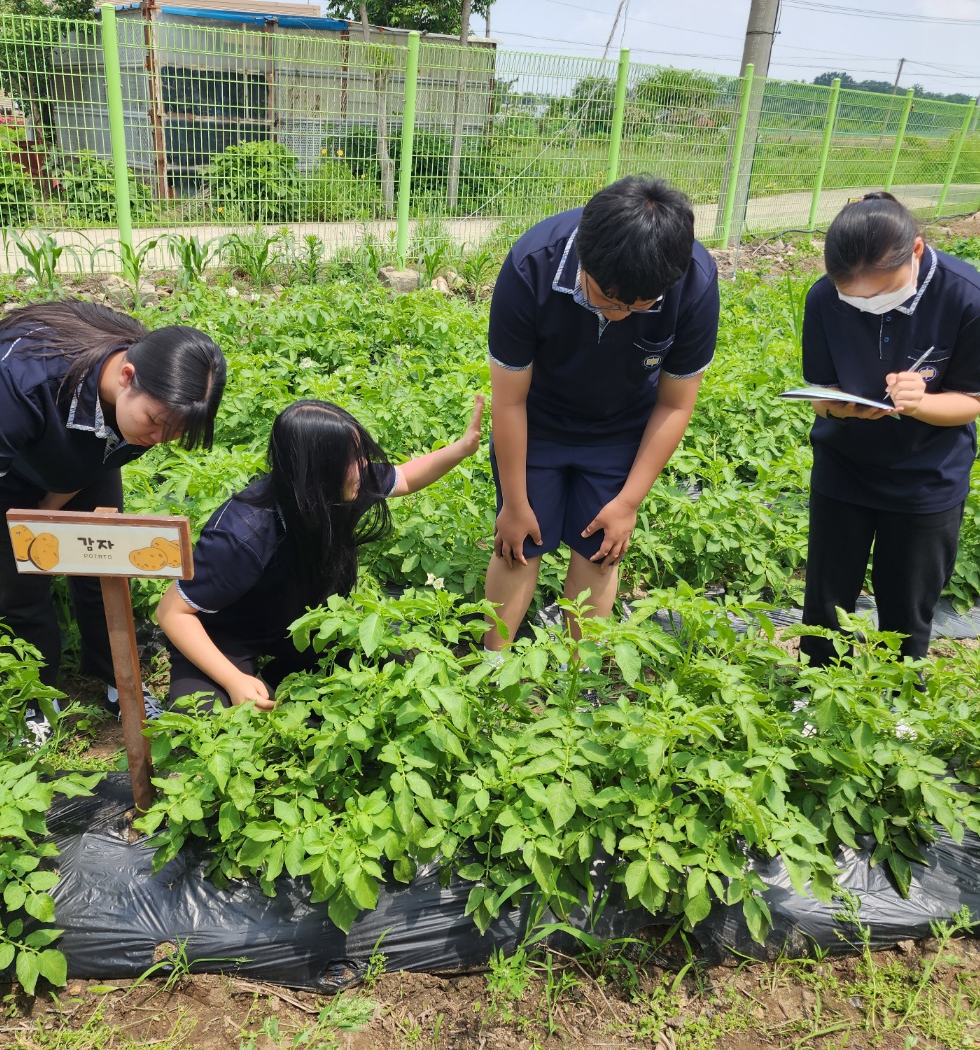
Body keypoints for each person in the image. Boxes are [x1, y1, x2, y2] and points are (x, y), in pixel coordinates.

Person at [0, 301, 227, 736]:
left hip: (80, 423)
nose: (158, 439)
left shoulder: (150, 409)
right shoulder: (18, 383)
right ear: (127, 376)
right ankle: (33, 692)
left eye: (174, 434)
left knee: (102, 560)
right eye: (155, 423)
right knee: (12, 576)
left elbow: (86, 465)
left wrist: (47, 515)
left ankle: (118, 679)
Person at [482, 175, 719, 651]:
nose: (619, 315)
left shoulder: (694, 281)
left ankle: (579, 673)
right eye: (607, 299)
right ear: (584, 260)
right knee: (518, 548)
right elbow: (508, 400)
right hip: (536, 422)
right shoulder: (532, 264)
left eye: (639, 306)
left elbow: (675, 403)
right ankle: (492, 665)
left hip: (621, 429)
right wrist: (514, 503)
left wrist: (628, 503)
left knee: (601, 550)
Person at [157, 395, 483, 711]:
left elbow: (406, 477)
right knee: (204, 717)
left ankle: (276, 679)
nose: (364, 466)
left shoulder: (342, 488)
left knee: (392, 654)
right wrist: (232, 680)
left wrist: (463, 447)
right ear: (318, 470)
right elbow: (172, 612)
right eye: (352, 458)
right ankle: (255, 680)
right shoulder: (242, 534)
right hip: (227, 635)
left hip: (301, 622)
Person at [797, 191, 980, 666]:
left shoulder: (966, 296)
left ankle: (899, 692)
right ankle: (818, 684)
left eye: (881, 293)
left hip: (926, 475)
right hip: (844, 467)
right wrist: (839, 409)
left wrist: (921, 403)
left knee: (907, 602)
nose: (869, 306)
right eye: (854, 298)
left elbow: (972, 402)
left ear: (917, 251)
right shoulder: (824, 297)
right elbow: (821, 393)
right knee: (826, 597)